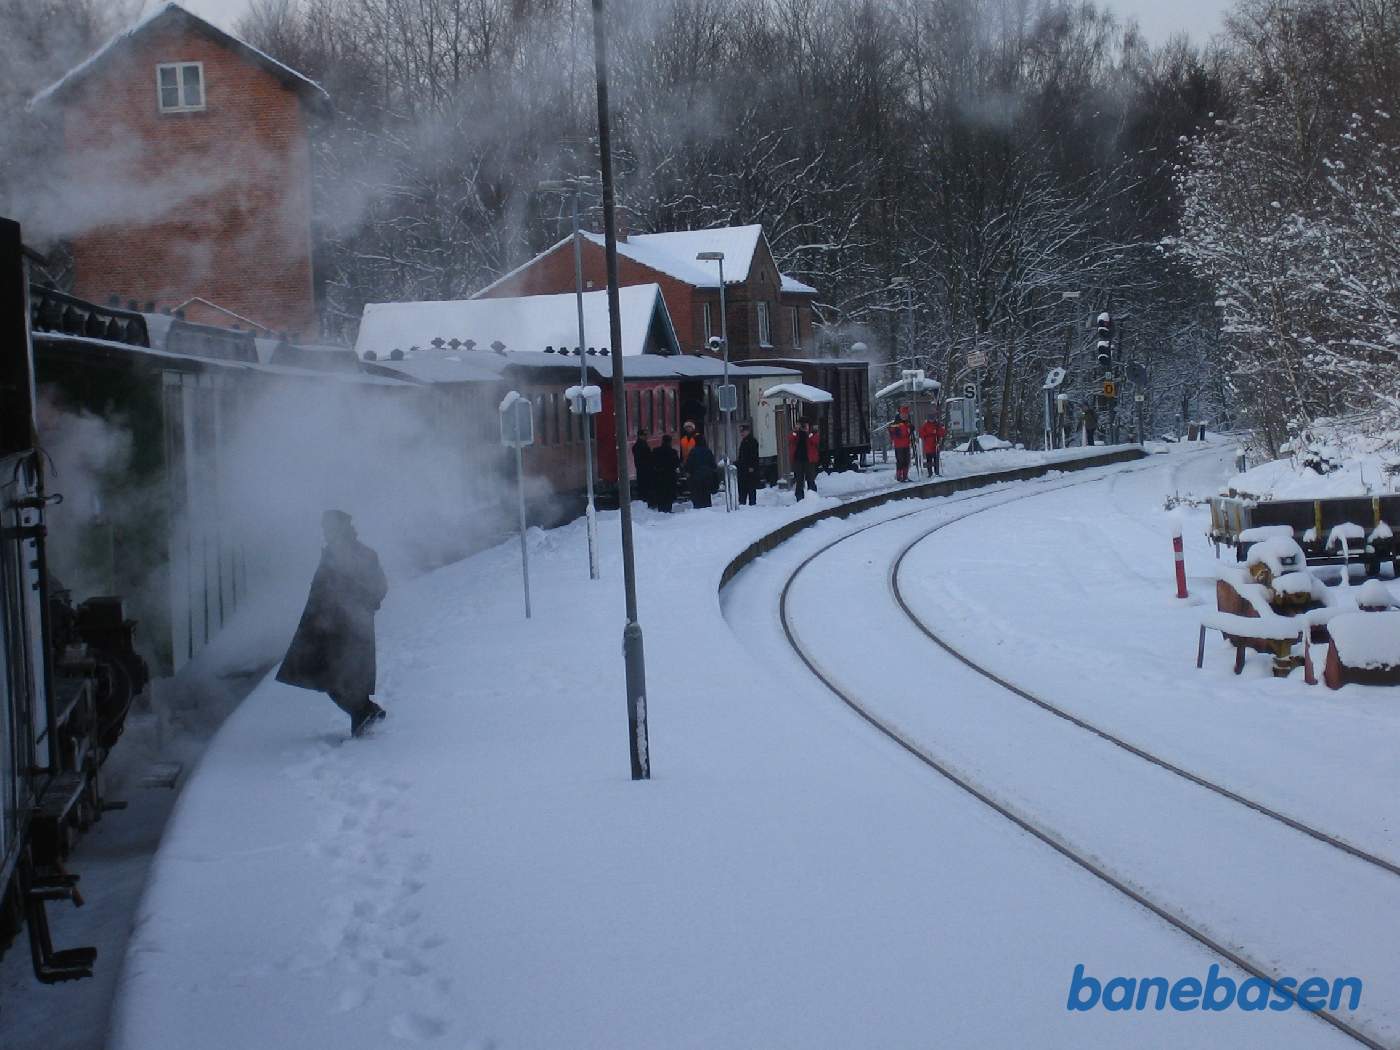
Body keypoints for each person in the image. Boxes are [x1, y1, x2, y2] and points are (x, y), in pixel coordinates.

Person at [277, 510, 389, 738]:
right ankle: (366, 712)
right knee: (342, 675)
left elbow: (373, 587)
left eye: (327, 528)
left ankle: (364, 713)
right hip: (339, 625)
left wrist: (361, 606)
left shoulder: (342, 555)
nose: (325, 533)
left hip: (337, 627)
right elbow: (379, 587)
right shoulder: (356, 553)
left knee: (332, 676)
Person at [788, 419, 820, 501]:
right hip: (798, 460)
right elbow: (790, 439)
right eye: (801, 425)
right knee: (799, 480)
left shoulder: (813, 433)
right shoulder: (796, 433)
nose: (802, 427)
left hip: (809, 460)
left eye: (804, 425)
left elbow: (816, 441)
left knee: (810, 479)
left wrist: (808, 433)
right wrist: (795, 430)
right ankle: (799, 497)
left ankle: (813, 496)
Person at [684, 434, 719, 509]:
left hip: (696, 477)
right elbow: (713, 465)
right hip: (707, 476)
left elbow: (689, 464)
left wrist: (688, 472)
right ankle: (707, 509)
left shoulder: (693, 451)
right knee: (706, 495)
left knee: (698, 495)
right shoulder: (708, 451)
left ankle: (698, 509)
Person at [651, 434, 680, 512]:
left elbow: (652, 462)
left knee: (660, 493)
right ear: (670, 442)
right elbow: (677, 463)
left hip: (659, 475)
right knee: (669, 494)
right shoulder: (673, 452)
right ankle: (668, 509)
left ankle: (661, 509)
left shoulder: (656, 451)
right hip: (670, 476)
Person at [736, 423, 760, 506]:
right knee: (742, 487)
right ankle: (742, 502)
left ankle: (752, 504)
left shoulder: (752, 441)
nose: (741, 433)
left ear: (748, 431)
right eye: (741, 432)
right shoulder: (744, 441)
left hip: (750, 469)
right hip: (743, 469)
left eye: (743, 431)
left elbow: (754, 455)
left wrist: (752, 466)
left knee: (751, 487)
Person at [888, 409, 914, 482]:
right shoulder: (896, 423)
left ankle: (905, 476)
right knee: (900, 461)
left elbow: (908, 432)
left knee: (906, 460)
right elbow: (891, 430)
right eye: (903, 415)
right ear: (900, 415)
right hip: (899, 445)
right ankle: (899, 476)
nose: (905, 416)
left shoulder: (907, 423)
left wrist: (911, 429)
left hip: (906, 444)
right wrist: (896, 432)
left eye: (906, 415)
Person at [632, 427, 654, 509]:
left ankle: (644, 501)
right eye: (644, 435)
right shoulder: (641, 445)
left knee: (643, 487)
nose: (646, 436)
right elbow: (646, 457)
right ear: (640, 436)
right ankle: (645, 503)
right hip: (644, 469)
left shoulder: (639, 445)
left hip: (641, 469)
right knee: (645, 487)